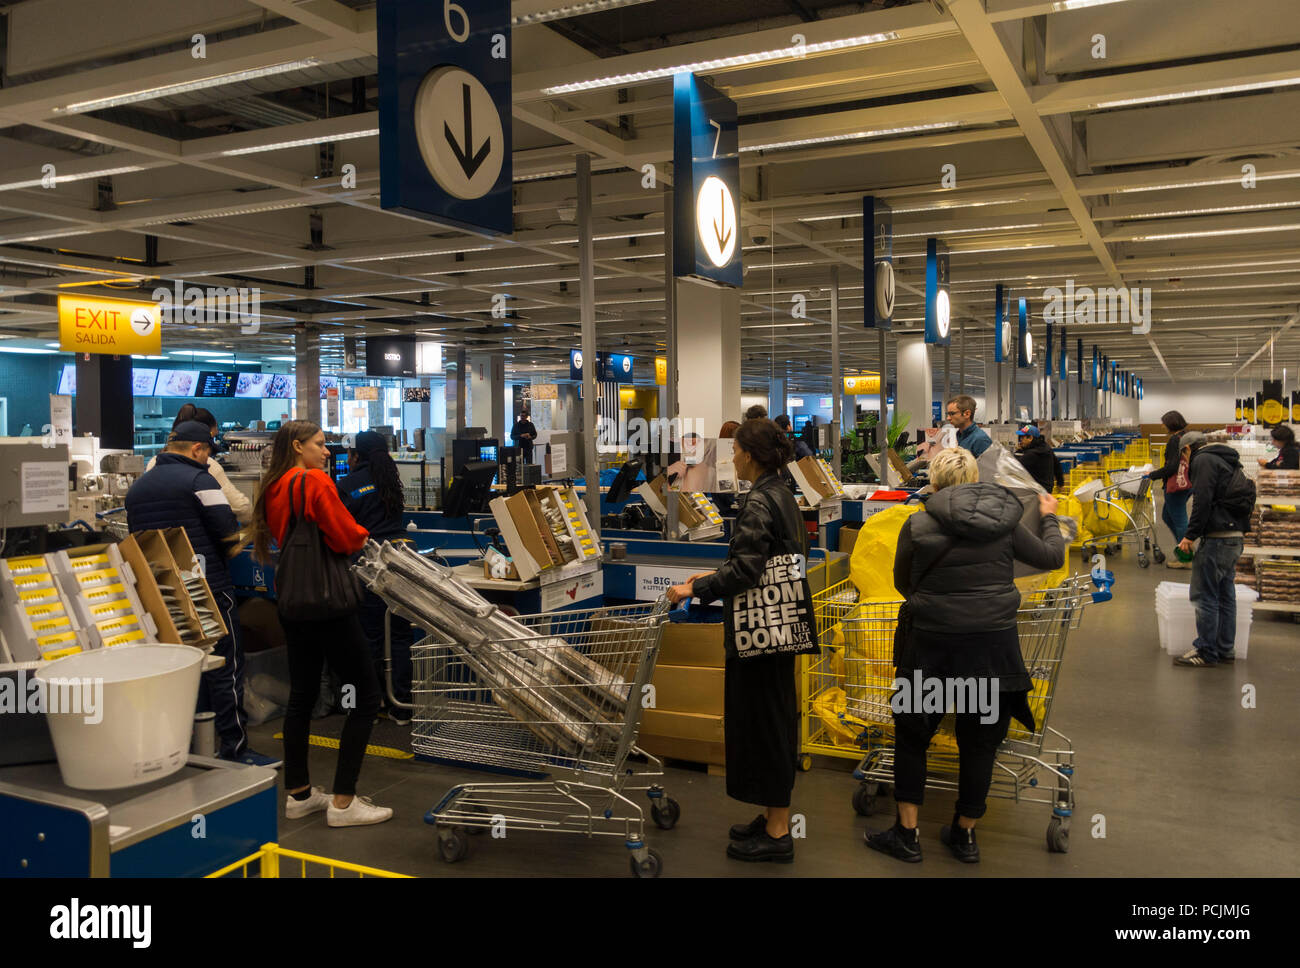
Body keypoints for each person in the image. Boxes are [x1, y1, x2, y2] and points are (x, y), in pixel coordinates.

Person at [866, 447, 1064, 864]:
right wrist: (1048, 514)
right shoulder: (1005, 523)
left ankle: (907, 833)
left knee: (914, 735)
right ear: (976, 479)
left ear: (934, 483)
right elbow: (1051, 557)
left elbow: (906, 584)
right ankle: (965, 835)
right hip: (990, 649)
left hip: (932, 648)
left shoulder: (918, 524)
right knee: (978, 741)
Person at [666, 419, 817, 864]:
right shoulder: (783, 494)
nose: (732, 457)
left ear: (750, 455)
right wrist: (710, 576)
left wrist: (697, 588)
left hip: (760, 634)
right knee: (774, 722)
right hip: (781, 626)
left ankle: (777, 832)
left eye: (735, 450)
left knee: (765, 728)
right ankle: (774, 816)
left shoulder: (758, 502)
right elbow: (765, 561)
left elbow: (747, 571)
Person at [251, 421, 391, 826]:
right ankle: (344, 802)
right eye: (320, 444)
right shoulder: (313, 482)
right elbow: (347, 538)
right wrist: (364, 534)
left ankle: (298, 795)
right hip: (329, 603)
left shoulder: (273, 487)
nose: (327, 452)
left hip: (293, 603)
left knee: (302, 696)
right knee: (365, 696)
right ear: (298, 446)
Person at [126, 421, 278, 768]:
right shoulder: (200, 479)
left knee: (182, 667)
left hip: (161, 593)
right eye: (208, 451)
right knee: (225, 664)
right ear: (198, 449)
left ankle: (190, 744)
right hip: (206, 587)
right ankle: (234, 748)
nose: (209, 458)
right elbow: (226, 532)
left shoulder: (139, 488)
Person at [338, 431, 415, 725]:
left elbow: (339, 527)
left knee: (368, 637)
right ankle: (402, 706)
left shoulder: (348, 485)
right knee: (399, 635)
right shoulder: (390, 479)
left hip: (369, 563)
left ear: (356, 455)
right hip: (403, 560)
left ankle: (369, 707)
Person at [1174, 432, 1254, 668]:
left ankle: (1206, 651)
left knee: (1204, 595)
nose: (1184, 461)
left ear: (1187, 449)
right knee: (1225, 593)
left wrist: (1190, 535)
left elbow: (1203, 500)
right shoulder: (1226, 459)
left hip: (1217, 538)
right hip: (1234, 537)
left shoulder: (1203, 460)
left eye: (1183, 456)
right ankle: (1225, 647)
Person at [146, 404, 252, 524]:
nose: (209, 451)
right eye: (211, 439)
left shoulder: (153, 463)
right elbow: (242, 509)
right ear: (199, 444)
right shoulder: (208, 468)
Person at [1146, 410, 1191, 568]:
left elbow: (1172, 466)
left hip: (1176, 486)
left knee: (1179, 520)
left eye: (1164, 422)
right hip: (1185, 484)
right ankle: (1183, 546)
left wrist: (1152, 474)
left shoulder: (1174, 440)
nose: (1162, 425)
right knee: (1167, 515)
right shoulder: (1185, 436)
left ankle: (1185, 558)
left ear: (1171, 423)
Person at [1013, 424, 1064, 493]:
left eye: (1022, 437)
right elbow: (1057, 465)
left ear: (1030, 438)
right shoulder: (1046, 448)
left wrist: (1018, 451)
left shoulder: (1032, 454)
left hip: (1036, 492)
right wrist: (1060, 483)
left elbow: (1014, 466)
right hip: (1047, 489)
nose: (1020, 440)